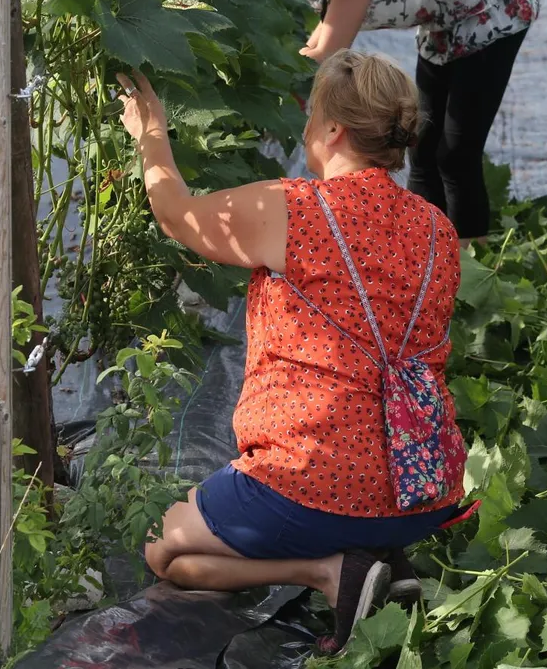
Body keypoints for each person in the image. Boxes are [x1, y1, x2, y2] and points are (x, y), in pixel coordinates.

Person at [117, 51, 468, 653]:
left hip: (311, 483)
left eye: (313, 117)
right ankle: (382, 552)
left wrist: (150, 131)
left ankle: (329, 571)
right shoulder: (436, 228)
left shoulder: (294, 209)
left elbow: (175, 215)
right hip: (423, 488)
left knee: (161, 542)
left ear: (333, 131)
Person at [271, 0, 540, 244]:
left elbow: (329, 51)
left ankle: (470, 269)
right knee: (421, 143)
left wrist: (272, 95)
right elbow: (322, 34)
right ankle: (423, 255)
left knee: (455, 153)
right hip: (446, 3)